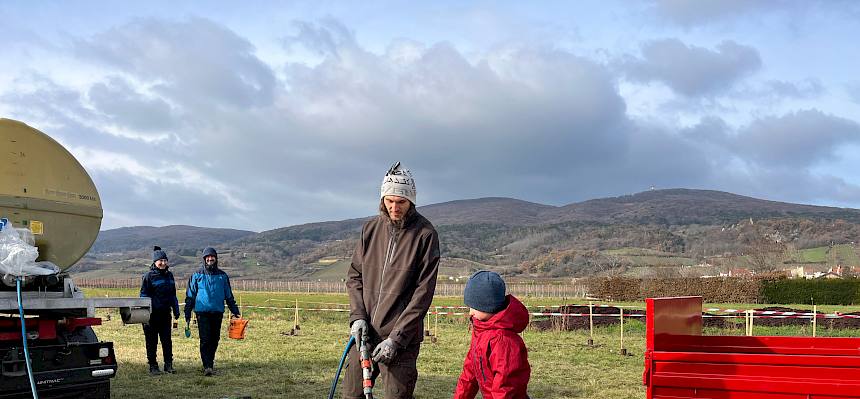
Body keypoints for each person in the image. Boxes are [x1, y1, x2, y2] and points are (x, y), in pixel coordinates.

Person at [345, 162, 441, 399]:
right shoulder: (370, 229)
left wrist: (395, 340)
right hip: (365, 334)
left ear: (411, 202)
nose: (394, 207)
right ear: (382, 199)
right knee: (352, 394)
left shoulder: (425, 235)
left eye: (401, 202)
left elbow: (423, 294)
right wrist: (357, 318)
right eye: (389, 201)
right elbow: (354, 276)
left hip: (401, 340)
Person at [453, 270, 531, 399]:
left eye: (475, 307)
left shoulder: (503, 340)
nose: (470, 313)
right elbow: (469, 373)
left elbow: (505, 387)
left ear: (489, 306)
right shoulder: (481, 331)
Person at [183, 247, 240, 376]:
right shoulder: (197, 275)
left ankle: (211, 362)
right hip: (202, 313)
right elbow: (190, 295)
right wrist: (187, 312)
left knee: (215, 339)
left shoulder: (222, 276)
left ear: (216, 258)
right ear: (204, 259)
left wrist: (235, 311)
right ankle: (207, 366)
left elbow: (229, 295)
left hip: (218, 312)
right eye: (207, 257)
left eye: (212, 257)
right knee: (205, 339)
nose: (210, 259)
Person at [139, 246, 180, 376]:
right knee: (151, 341)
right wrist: (147, 311)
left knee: (167, 341)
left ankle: (168, 365)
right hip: (151, 315)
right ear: (155, 262)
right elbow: (143, 295)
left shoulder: (169, 276)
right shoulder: (148, 276)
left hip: (165, 314)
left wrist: (176, 308)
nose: (163, 263)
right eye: (160, 261)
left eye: (164, 260)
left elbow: (173, 294)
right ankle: (153, 366)